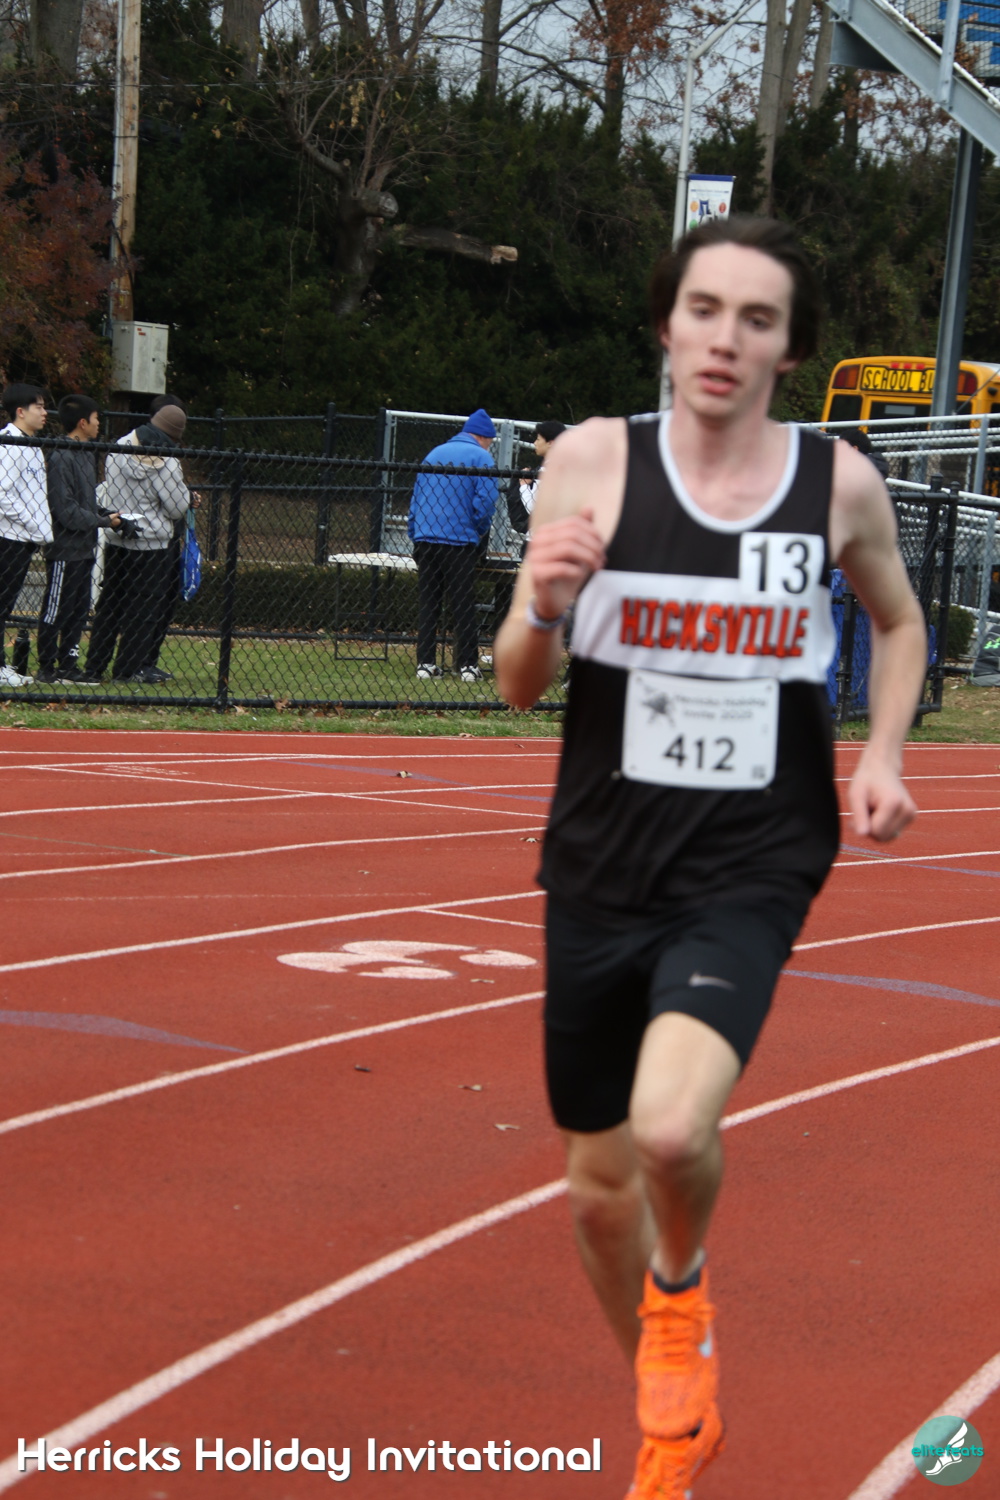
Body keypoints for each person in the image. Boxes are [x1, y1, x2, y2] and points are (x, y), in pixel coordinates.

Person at [494, 215, 927, 1499]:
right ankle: (669, 1423)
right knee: (595, 1189)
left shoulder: (835, 485)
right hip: (600, 859)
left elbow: (898, 623)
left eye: (757, 319)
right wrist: (541, 602)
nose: (725, 339)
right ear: (664, 324)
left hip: (753, 856)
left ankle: (679, 1296)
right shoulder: (590, 462)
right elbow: (516, 683)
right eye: (704, 310)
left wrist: (883, 752)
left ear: (789, 350)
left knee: (673, 1130)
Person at [84, 402, 191, 684]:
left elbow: (110, 486)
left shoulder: (119, 447)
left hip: (119, 534)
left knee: (110, 604)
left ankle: (94, 666)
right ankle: (127, 669)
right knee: (142, 609)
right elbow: (177, 508)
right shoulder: (168, 462)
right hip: (152, 544)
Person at [36, 395, 136, 685]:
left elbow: (87, 503)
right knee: (56, 608)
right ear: (82, 422)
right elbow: (66, 510)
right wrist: (104, 521)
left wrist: (111, 516)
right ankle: (47, 666)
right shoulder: (61, 457)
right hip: (64, 549)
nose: (98, 424)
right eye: (95, 419)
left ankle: (68, 664)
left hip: (85, 547)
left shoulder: (86, 454)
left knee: (78, 610)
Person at [408, 408, 499, 681]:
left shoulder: (434, 454)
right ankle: (468, 666)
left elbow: (416, 499)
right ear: (483, 437)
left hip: (426, 539)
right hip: (459, 541)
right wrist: (478, 531)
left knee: (429, 603)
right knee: (463, 604)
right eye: (490, 441)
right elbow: (486, 502)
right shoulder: (481, 458)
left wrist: (415, 532)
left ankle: (425, 664)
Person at [141, 393, 198, 683]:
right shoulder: (150, 453)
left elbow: (176, 496)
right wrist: (183, 500)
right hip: (153, 538)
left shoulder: (168, 455)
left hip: (169, 537)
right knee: (150, 603)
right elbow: (170, 502)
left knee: (165, 603)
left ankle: (149, 659)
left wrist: (187, 497)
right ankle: (140, 661)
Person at [0, 383, 52, 687]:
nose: (45, 413)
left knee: (5, 604)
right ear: (21, 411)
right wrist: (32, 525)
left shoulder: (31, 445)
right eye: (39, 407)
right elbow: (3, 494)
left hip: (23, 539)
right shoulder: (10, 444)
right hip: (9, 538)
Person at [508, 420, 567, 535]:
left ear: (550, 443)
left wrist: (524, 485)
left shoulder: (547, 470)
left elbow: (533, 507)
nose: (535, 443)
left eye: (538, 439)